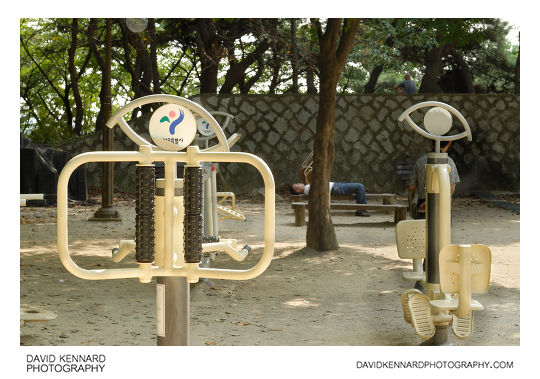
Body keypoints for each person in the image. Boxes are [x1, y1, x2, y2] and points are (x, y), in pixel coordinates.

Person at [408, 140, 459, 219]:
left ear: (431, 143)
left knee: (422, 230)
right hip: (443, 204)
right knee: (444, 230)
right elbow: (451, 189)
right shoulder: (450, 162)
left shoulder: (420, 161)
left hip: (422, 205)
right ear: (449, 143)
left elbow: (411, 187)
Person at [290, 182, 370, 217]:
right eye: (297, 185)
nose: (298, 183)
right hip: (336, 189)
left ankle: (361, 209)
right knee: (360, 186)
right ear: (298, 190)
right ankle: (361, 210)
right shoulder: (309, 190)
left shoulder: (308, 187)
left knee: (359, 187)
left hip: (336, 186)